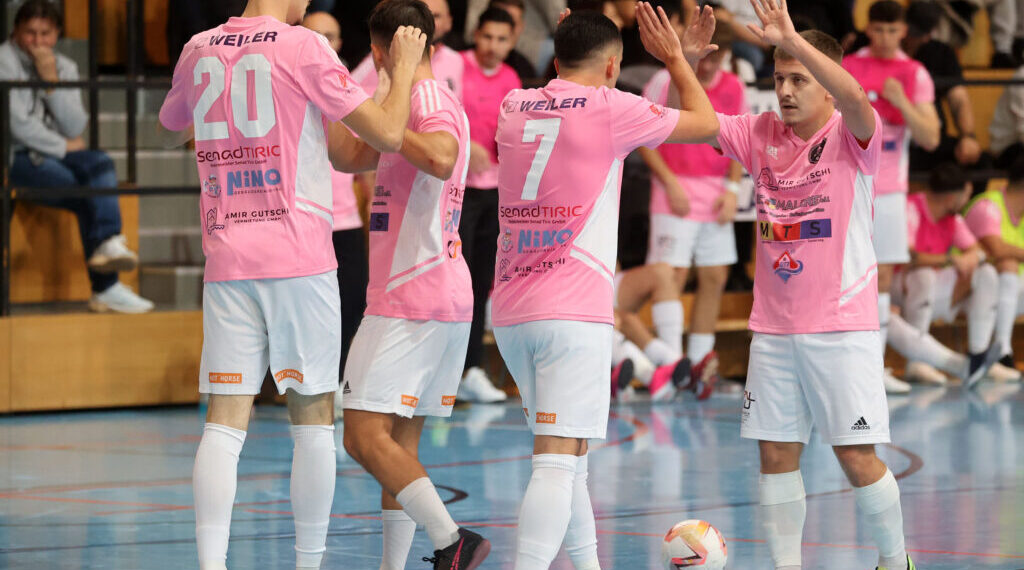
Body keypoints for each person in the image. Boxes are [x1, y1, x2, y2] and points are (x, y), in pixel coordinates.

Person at [156, 0, 427, 566]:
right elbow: (388, 133)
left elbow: (170, 124)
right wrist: (401, 69)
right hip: (298, 259)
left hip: (228, 256)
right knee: (311, 423)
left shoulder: (198, 46)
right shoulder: (303, 46)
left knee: (224, 425)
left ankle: (211, 564)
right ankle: (308, 563)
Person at [682, 0, 916, 566]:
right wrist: (681, 64)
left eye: (799, 79)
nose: (784, 90)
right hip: (774, 329)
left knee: (858, 459)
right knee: (776, 455)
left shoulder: (851, 136)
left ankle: (895, 560)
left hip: (840, 327)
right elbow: (684, 126)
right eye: (779, 78)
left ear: (827, 87)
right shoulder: (758, 131)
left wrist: (792, 38)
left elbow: (859, 99)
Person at [492, 4, 719, 568]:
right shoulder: (612, 108)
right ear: (616, 67)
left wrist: (661, 56)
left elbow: (580, 97)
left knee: (572, 456)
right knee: (555, 460)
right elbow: (706, 122)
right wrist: (674, 58)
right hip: (572, 311)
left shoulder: (513, 103)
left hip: (513, 309)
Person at [330, 2, 491, 569]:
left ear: (382, 53)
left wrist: (391, 118)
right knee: (397, 448)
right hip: (438, 292)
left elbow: (443, 158)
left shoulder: (424, 99)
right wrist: (325, 96)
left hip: (412, 293)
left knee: (360, 436)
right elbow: (347, 155)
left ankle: (451, 540)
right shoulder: (400, 103)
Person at [0, 0, 153, 314]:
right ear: (16, 31)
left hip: (55, 157)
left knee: (100, 163)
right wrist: (64, 146)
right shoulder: (3, 60)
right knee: (90, 189)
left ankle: (108, 245)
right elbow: (14, 126)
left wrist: (51, 83)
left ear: (57, 33)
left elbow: (74, 124)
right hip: (16, 158)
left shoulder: (63, 66)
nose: (38, 41)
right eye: (31, 33)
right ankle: (106, 286)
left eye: (45, 33)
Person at [641, 15, 747, 382]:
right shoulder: (664, 78)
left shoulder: (734, 85)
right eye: (707, 55)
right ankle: (672, 365)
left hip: (715, 192)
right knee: (672, 275)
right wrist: (669, 183)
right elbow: (644, 135)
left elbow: (740, 140)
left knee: (715, 276)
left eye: (719, 57)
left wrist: (733, 191)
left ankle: (700, 364)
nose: (712, 64)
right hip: (676, 190)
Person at [843, 0, 941, 394]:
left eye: (892, 31)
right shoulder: (849, 66)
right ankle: (849, 366)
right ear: (869, 29)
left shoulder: (914, 73)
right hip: (848, 184)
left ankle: (875, 369)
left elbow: (931, 138)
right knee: (845, 273)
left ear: (904, 31)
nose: (885, 38)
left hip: (888, 191)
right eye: (878, 30)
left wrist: (901, 102)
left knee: (881, 276)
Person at [300, 11, 371, 412]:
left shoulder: (350, 82)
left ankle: (338, 382)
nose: (325, 42)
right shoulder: (292, 76)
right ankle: (294, 385)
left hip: (345, 217)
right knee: (307, 311)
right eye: (317, 35)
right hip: (307, 216)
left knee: (352, 303)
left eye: (332, 35)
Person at [895, 163, 1011, 387]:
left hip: (933, 292)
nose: (966, 200)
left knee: (985, 273)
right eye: (965, 194)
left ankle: (978, 355)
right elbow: (909, 257)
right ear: (951, 197)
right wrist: (950, 260)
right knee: (924, 275)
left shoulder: (952, 219)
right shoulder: (911, 208)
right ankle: (917, 363)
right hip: (902, 291)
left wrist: (972, 259)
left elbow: (977, 251)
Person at [457, 7, 521, 403]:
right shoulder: (455, 66)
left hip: (494, 192)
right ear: (475, 35)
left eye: (501, 39)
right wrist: (466, 146)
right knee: (454, 282)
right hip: (457, 190)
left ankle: (472, 368)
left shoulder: (513, 80)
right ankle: (444, 369)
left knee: (481, 281)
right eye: (487, 37)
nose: (493, 47)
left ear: (511, 41)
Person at [902, 1, 984, 170]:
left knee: (979, 162)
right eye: (911, 31)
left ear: (930, 33)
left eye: (921, 33)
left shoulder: (942, 52)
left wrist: (968, 136)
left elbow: (959, 99)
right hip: (891, 138)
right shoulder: (876, 51)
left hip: (931, 137)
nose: (914, 38)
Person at [965, 158, 1024, 375]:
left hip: (1004, 292)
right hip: (966, 286)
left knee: (1010, 268)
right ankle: (1001, 350)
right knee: (1007, 264)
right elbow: (997, 250)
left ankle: (1001, 350)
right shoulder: (988, 205)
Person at [352, 0, 465, 98]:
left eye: (436, 16)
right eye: (422, 16)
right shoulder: (385, 52)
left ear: (449, 22)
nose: (429, 22)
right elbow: (349, 90)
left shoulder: (457, 60)